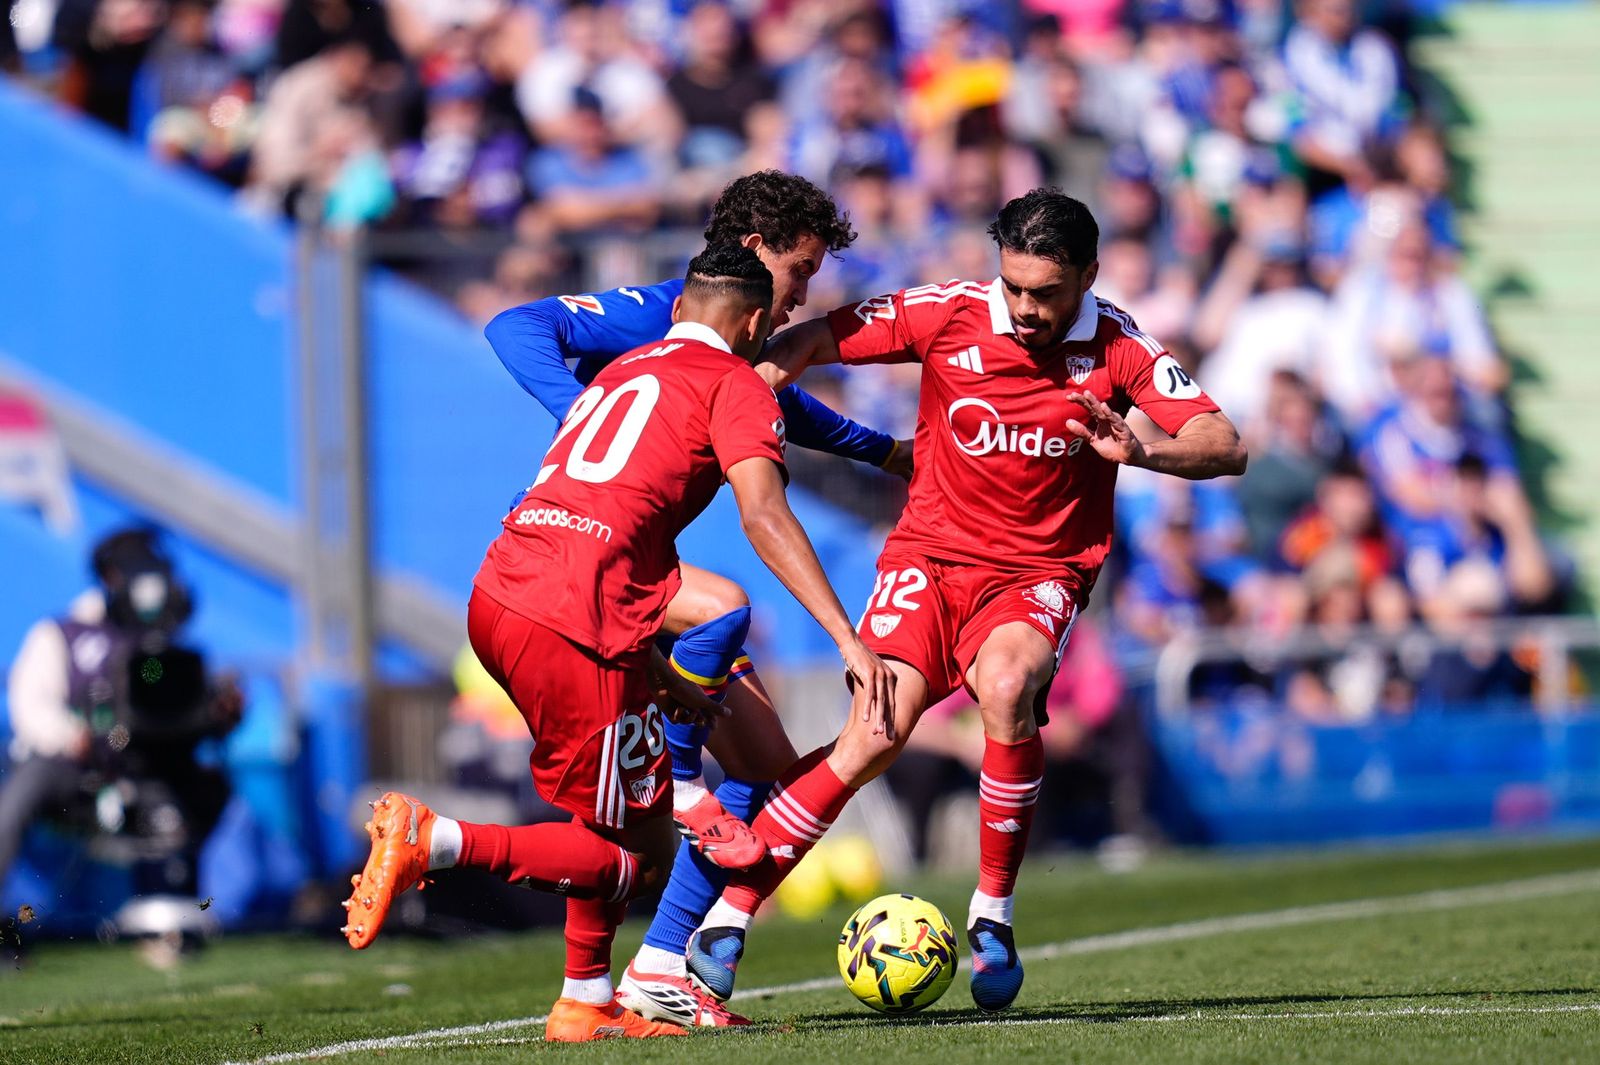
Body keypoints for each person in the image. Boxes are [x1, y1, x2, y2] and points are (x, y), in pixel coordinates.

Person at [685, 188, 1245, 1013]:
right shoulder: (947, 311)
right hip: (929, 559)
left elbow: (1224, 444)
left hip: (1038, 572)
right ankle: (732, 914)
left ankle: (993, 912)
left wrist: (1144, 452)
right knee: (875, 734)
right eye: (1013, 285)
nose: (1024, 307)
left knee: (1008, 685)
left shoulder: (1121, 347)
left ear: (1089, 276)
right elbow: (813, 337)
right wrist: (757, 383)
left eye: (1045, 292)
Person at [340, 244, 894, 1041]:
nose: (793, 305)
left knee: (620, 811)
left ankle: (585, 998)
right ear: (749, 323)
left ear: (680, 309)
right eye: (792, 285)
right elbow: (764, 513)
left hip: (509, 590)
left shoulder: (621, 370)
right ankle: (440, 839)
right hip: (576, 614)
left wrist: (653, 668)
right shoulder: (736, 382)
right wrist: (846, 635)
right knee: (637, 857)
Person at [483, 172, 909, 927]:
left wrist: (880, 451)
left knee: (762, 764)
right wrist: (579, 411)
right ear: (755, 249)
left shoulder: (732, 353)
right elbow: (515, 327)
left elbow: (768, 397)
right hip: (581, 562)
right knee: (718, 610)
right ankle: (677, 782)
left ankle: (650, 964)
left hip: (614, 570)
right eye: (800, 270)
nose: (803, 295)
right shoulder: (662, 312)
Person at [0, 527, 240, 907]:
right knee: (22, 791)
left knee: (216, 792)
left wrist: (219, 712)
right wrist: (74, 736)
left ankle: (202, 905)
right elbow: (30, 704)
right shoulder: (66, 634)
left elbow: (180, 706)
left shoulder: (163, 642)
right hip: (78, 770)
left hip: (152, 767)